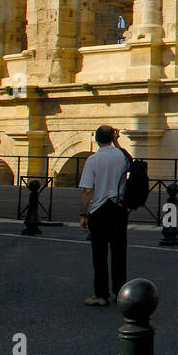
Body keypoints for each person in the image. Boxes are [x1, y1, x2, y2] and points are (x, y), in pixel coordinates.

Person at [78, 125, 130, 307]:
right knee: (119, 252)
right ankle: (120, 291)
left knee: (99, 254)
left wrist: (84, 214)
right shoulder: (122, 156)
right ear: (113, 137)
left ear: (96, 139)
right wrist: (118, 142)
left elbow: (87, 191)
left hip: (99, 210)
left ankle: (101, 295)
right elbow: (130, 160)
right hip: (118, 208)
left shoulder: (93, 160)